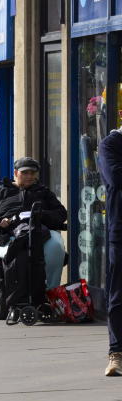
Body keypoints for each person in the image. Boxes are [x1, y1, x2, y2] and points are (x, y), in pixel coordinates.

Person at [0, 157, 68, 320]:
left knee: (56, 246)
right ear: (15, 173)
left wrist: (42, 215)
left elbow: (61, 214)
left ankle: (49, 294)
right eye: (24, 173)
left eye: (32, 173)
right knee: (16, 253)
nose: (29, 176)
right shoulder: (0, 192)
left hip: (41, 232)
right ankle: (16, 299)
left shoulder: (43, 192)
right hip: (10, 235)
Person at [99, 130, 122, 375]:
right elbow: (115, 177)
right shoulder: (111, 144)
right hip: (120, 231)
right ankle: (116, 353)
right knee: (118, 294)